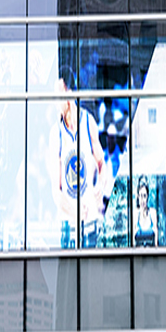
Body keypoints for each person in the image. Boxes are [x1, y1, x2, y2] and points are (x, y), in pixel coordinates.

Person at [49, 67, 105, 246]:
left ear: (69, 93)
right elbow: (55, 191)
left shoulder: (88, 123)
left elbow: (102, 164)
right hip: (68, 225)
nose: (56, 102)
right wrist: (75, 213)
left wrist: (100, 187)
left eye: (58, 95)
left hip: (90, 224)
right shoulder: (55, 133)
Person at [134, 175, 158, 246]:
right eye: (141, 196)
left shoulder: (152, 213)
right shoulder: (135, 214)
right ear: (138, 197)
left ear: (147, 197)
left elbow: (156, 236)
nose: (142, 200)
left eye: (144, 196)